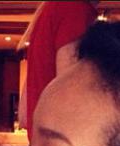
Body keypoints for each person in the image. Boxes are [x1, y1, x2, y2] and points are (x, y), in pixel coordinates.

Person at [18, 0, 98, 138]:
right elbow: (70, 96)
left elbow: (24, 116)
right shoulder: (75, 9)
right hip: (64, 143)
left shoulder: (51, 9)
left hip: (45, 143)